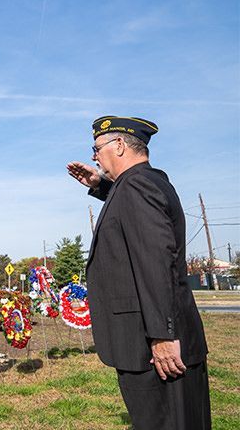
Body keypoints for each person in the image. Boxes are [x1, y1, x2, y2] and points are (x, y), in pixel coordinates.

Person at [67, 116, 210, 429]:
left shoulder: (138, 186)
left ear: (119, 145)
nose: (94, 156)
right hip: (152, 342)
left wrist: (162, 335)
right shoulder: (141, 184)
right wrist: (100, 184)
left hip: (153, 347)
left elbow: (155, 262)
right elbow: (129, 211)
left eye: (97, 148)